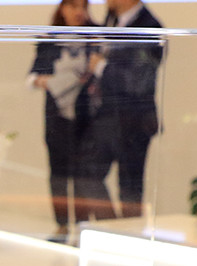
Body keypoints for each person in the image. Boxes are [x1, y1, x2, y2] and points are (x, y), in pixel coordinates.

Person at [73, 0, 162, 220]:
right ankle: (111, 228)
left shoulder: (150, 26)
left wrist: (101, 66)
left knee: (130, 189)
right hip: (107, 117)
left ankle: (127, 236)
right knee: (86, 173)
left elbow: (139, 80)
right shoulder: (112, 19)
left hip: (134, 122)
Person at [29, 0, 101, 236]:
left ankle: (82, 226)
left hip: (86, 118)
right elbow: (32, 76)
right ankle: (62, 225)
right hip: (57, 117)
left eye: (83, 7)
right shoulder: (50, 38)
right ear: (63, 8)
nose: (79, 12)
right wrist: (53, 82)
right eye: (73, 6)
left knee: (82, 174)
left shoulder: (97, 36)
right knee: (58, 172)